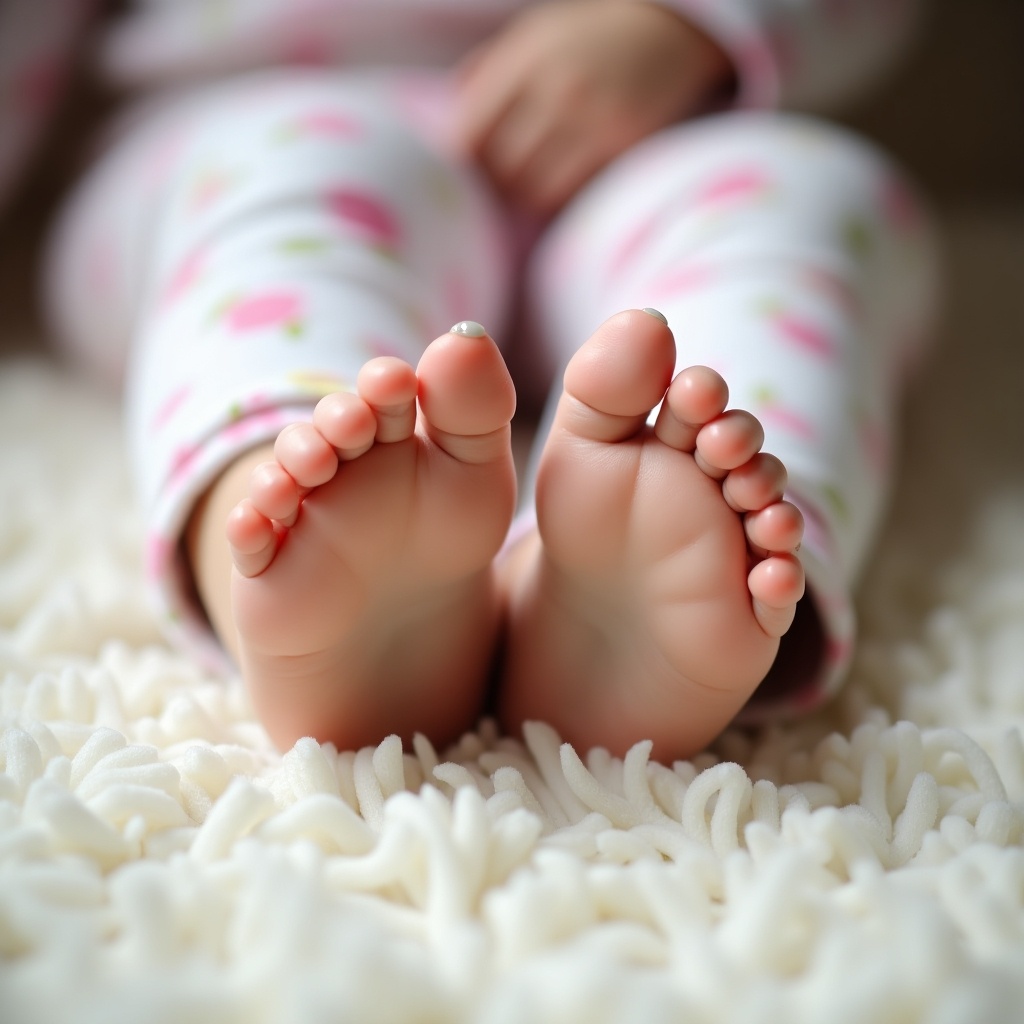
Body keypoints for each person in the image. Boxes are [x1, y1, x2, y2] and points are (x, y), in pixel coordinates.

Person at [3, 0, 939, 760]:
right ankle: (281, 536)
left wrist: (687, 26)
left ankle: (629, 597)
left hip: (654, 133)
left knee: (804, 195)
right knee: (279, 202)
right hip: (263, 111)